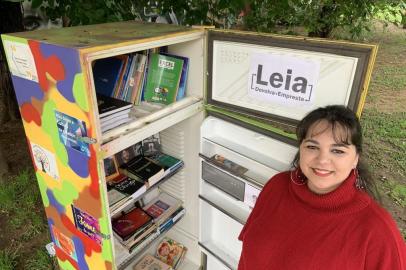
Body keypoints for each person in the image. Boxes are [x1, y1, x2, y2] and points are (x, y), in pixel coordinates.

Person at [238, 105, 406, 270]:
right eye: (312, 147)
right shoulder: (277, 186)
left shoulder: (378, 230)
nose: (322, 160)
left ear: (356, 158)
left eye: (338, 151)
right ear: (301, 149)